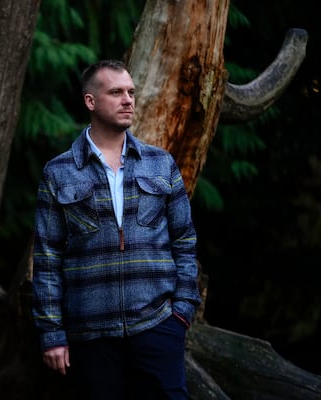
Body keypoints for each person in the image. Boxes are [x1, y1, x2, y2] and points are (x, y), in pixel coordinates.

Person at [31, 59, 202, 399]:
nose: (128, 100)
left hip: (157, 326)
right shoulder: (59, 172)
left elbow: (184, 241)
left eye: (131, 92)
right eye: (116, 92)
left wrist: (181, 313)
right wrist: (52, 333)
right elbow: (47, 259)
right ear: (90, 101)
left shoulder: (160, 163)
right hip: (92, 336)